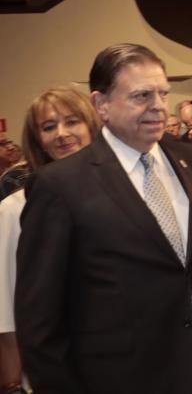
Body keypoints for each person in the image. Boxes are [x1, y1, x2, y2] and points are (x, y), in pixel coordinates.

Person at [15, 44, 192, 394]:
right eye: (142, 96)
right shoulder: (59, 187)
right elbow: (39, 321)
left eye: (162, 93)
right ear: (102, 105)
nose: (158, 106)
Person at [0, 87, 101, 392]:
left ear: (92, 125)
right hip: (56, 375)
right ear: (37, 140)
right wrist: (12, 385)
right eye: (48, 126)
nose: (62, 133)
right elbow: (7, 313)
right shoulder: (14, 208)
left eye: (72, 122)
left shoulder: (123, 197)